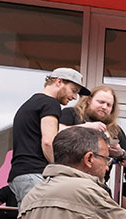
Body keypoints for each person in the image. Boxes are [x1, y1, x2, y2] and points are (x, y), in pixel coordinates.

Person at [9, 68, 97, 204]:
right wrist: (59, 172)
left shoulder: (31, 103)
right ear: (59, 81)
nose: (74, 97)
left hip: (22, 174)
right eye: (73, 90)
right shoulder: (50, 103)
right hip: (35, 172)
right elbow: (49, 142)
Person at [58, 85, 126, 183]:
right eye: (101, 102)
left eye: (109, 105)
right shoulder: (72, 113)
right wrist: (86, 127)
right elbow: (58, 132)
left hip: (98, 183)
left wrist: (120, 153)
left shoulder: (114, 129)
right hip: (69, 178)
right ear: (89, 100)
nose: (104, 107)